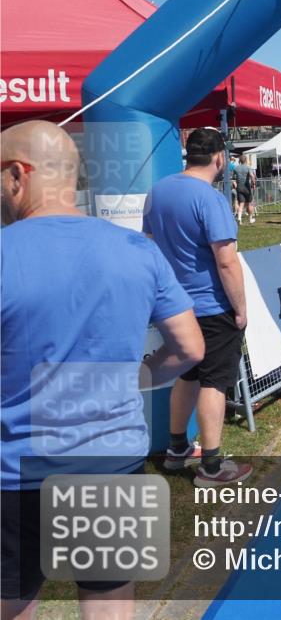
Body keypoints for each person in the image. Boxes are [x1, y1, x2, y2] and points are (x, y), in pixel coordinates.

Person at [1, 121, 203, 617]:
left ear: (16, 175)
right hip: (111, 462)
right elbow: (189, 348)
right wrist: (138, 376)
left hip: (14, 470)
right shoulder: (136, 250)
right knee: (109, 606)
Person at [144, 128, 252, 487]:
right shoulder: (211, 199)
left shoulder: (158, 192)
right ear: (220, 158)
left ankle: (177, 449)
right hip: (210, 304)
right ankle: (211, 464)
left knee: (188, 376)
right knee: (214, 382)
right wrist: (240, 309)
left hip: (173, 306)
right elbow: (226, 261)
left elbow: (149, 244)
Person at [233, 154, 256, 225]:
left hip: (239, 188)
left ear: (239, 160)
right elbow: (252, 176)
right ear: (245, 160)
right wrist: (253, 183)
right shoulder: (248, 167)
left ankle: (239, 218)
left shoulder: (236, 168)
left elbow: (233, 178)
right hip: (247, 188)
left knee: (241, 204)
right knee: (249, 203)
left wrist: (235, 184)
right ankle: (250, 219)